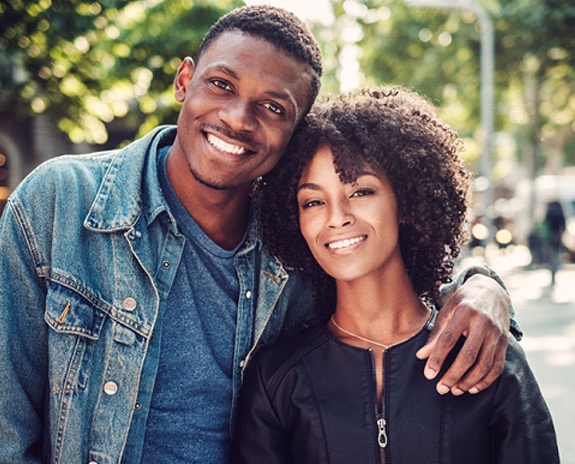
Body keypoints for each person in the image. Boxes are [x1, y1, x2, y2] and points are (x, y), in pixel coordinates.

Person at [0, 6, 515, 463]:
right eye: (221, 84)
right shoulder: (63, 202)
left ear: (298, 130)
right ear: (185, 80)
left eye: (273, 107)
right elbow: (7, 425)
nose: (236, 118)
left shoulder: (299, 243)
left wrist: (484, 285)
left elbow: (393, 279)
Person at [232, 87, 558, 463]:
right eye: (314, 201)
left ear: (405, 201)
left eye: (361, 191)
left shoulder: (486, 356)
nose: (337, 216)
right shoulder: (276, 380)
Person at [544, 200, 566, 285]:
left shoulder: (549, 212)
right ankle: (554, 273)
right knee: (556, 257)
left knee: (551, 257)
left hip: (550, 238)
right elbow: (563, 225)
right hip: (557, 238)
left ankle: (552, 273)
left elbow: (545, 224)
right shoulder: (560, 212)